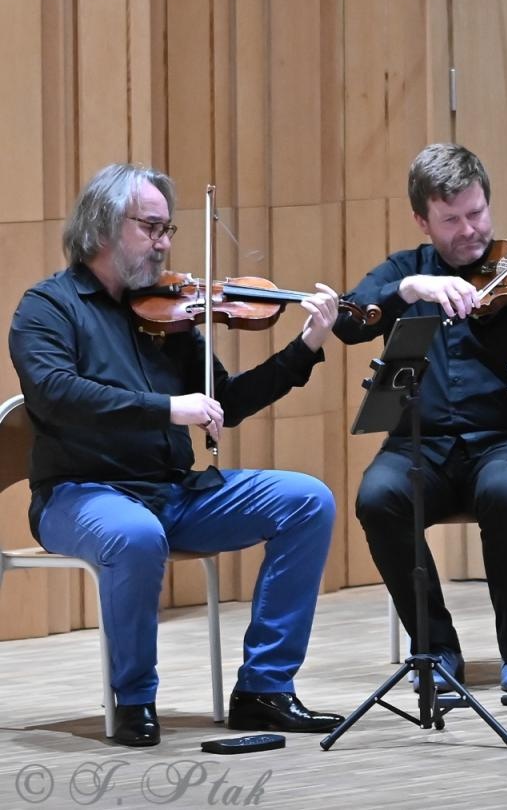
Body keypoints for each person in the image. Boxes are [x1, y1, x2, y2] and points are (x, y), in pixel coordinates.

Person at [9, 163, 345, 747]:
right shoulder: (47, 308)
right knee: (136, 537)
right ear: (105, 224)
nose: (165, 243)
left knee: (307, 501)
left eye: (169, 230)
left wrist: (305, 346)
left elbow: (226, 403)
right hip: (80, 494)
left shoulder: (170, 316)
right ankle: (134, 698)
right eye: (152, 227)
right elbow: (56, 394)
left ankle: (265, 688)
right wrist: (166, 407)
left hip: (173, 491)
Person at [335, 143, 507, 695]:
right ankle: (436, 647)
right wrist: (408, 290)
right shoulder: (405, 272)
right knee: (377, 497)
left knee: (506, 492)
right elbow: (348, 320)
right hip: (420, 446)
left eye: (476, 213)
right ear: (422, 220)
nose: (469, 231)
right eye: (451, 220)